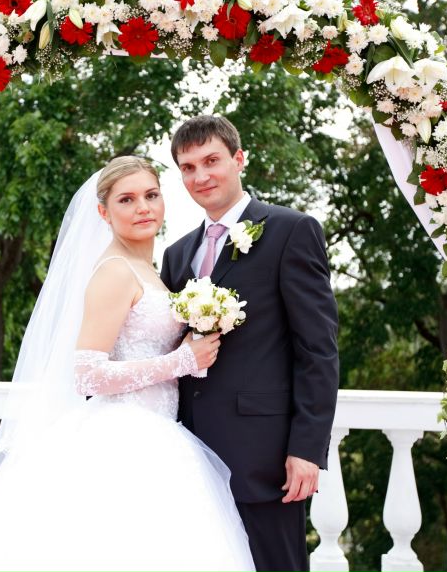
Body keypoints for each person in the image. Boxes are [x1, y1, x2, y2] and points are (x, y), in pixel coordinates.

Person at [0, 156, 254, 572]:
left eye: (151, 195)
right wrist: (180, 361)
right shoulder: (115, 271)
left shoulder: (148, 269)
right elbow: (87, 374)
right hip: (122, 439)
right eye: (127, 200)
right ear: (103, 212)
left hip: (158, 435)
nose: (143, 208)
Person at [160, 115, 340, 572]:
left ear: (239, 159)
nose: (200, 176)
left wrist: (307, 449)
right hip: (190, 454)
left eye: (211, 161)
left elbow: (317, 350)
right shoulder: (177, 254)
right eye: (188, 168)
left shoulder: (291, 231)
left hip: (264, 456)